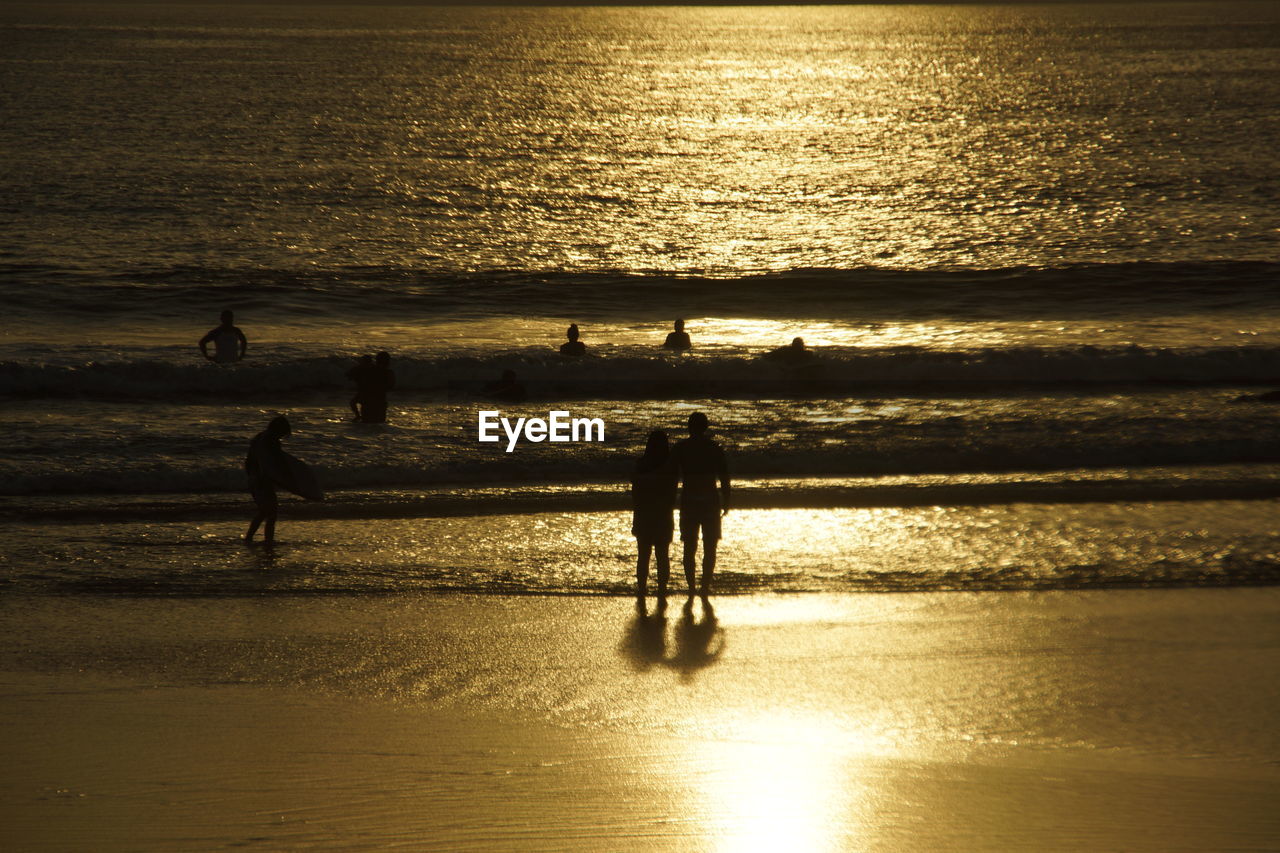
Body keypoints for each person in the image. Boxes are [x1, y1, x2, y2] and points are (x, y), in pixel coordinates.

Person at [672, 412, 730, 597]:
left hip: (689, 499)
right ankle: (704, 586)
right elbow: (724, 477)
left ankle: (691, 587)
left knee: (690, 546)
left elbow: (671, 476)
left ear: (689, 427)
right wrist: (726, 501)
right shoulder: (714, 448)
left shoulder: (681, 448)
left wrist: (670, 499)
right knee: (709, 546)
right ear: (705, 427)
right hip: (710, 500)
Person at [631, 429, 678, 603]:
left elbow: (635, 491)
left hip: (644, 514)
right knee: (662, 554)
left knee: (643, 554)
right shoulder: (670, 466)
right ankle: (662, 590)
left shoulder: (641, 464)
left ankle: (642, 589)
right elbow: (672, 493)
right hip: (663, 514)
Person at [245, 415, 291, 543]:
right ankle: (267, 540)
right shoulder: (272, 440)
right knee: (271, 513)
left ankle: (249, 538)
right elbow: (276, 461)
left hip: (254, 478)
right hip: (262, 479)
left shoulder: (259, 437)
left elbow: (249, 460)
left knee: (264, 511)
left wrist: (252, 476)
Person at [356, 351, 395, 423]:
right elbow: (390, 386)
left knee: (366, 423)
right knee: (379, 424)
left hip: (367, 402)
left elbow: (362, 384)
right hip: (380, 403)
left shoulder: (369, 370)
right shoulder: (388, 373)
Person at [347, 354, 374, 420]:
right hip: (367, 390)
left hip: (365, 391)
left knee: (354, 403)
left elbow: (348, 375)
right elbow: (349, 375)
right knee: (357, 403)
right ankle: (359, 416)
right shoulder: (372, 368)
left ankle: (358, 416)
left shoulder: (360, 368)